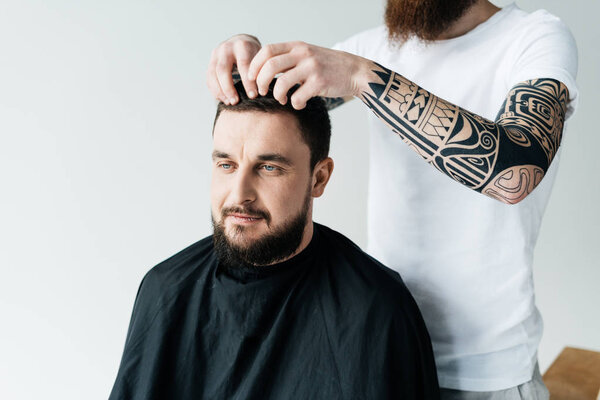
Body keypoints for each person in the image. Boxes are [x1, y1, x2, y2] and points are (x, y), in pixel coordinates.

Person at [206, 0, 578, 398]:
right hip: (377, 347)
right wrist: (247, 61)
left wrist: (361, 76)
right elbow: (284, 110)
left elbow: (513, 173)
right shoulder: (379, 47)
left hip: (486, 374)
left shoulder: (534, 38)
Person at [109, 81, 440, 399]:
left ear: (319, 178)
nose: (239, 195)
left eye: (268, 168)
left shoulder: (375, 310)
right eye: (226, 165)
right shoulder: (165, 290)